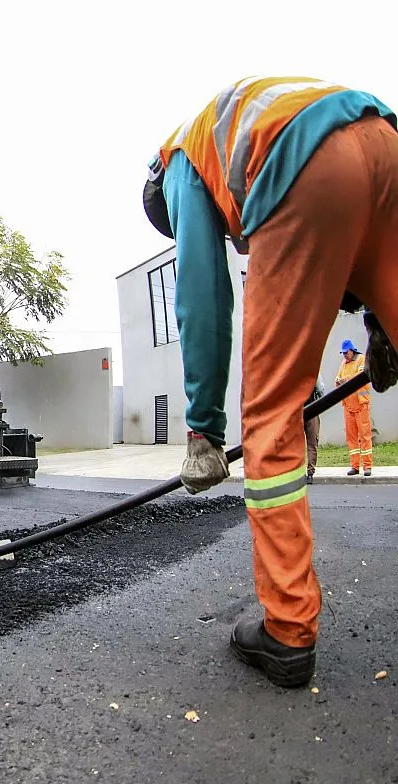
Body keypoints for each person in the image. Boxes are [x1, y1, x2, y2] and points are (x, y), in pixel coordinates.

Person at [140, 76, 398, 688]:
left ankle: (287, 631)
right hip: (386, 142)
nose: (236, 237)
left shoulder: (180, 163)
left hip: (303, 164)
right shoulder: (241, 120)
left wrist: (204, 431)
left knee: (273, 416)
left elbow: (203, 301)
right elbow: (355, 235)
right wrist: (379, 327)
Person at [335, 339, 372, 476]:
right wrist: (339, 381)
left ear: (352, 350)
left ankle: (367, 466)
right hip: (348, 406)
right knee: (351, 438)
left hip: (361, 405)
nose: (344, 355)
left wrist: (345, 379)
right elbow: (337, 380)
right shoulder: (343, 364)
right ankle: (355, 466)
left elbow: (361, 377)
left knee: (365, 436)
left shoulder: (361, 359)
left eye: (346, 352)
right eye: (343, 353)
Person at [304, 375, 325, 485]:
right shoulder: (313, 370)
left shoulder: (289, 369)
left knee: (295, 444)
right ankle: (310, 473)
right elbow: (321, 390)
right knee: (312, 443)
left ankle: (298, 473)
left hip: (296, 413)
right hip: (311, 409)